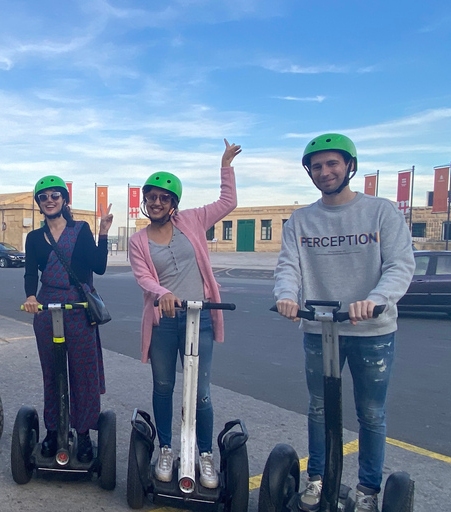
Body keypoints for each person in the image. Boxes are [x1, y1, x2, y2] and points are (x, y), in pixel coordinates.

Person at [274, 133, 415, 512]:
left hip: (372, 332)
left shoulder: (382, 212)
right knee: (318, 409)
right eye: (317, 166)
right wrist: (286, 297)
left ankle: (367, 489)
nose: (325, 171)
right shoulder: (301, 220)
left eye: (333, 163)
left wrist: (376, 300)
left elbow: (400, 264)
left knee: (371, 413)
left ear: (350, 166)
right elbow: (289, 265)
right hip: (320, 329)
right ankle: (318, 480)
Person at [129, 139, 241, 488]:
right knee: (163, 386)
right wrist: (164, 294)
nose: (157, 202)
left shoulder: (193, 220)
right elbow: (144, 277)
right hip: (165, 323)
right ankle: (166, 447)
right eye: (152, 197)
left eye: (164, 197)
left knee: (200, 392)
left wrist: (225, 165)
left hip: (200, 319)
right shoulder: (138, 241)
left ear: (174, 202)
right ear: (146, 201)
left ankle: (204, 455)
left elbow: (228, 202)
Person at [22, 175, 112, 463]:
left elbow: (99, 267)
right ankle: (53, 430)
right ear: (39, 203)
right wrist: (30, 296)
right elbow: (29, 273)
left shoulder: (80, 229)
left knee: (82, 373)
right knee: (52, 372)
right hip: (47, 307)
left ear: (64, 200)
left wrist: (103, 233)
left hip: (77, 306)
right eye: (44, 196)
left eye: (55, 195)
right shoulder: (34, 238)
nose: (49, 200)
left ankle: (83, 433)